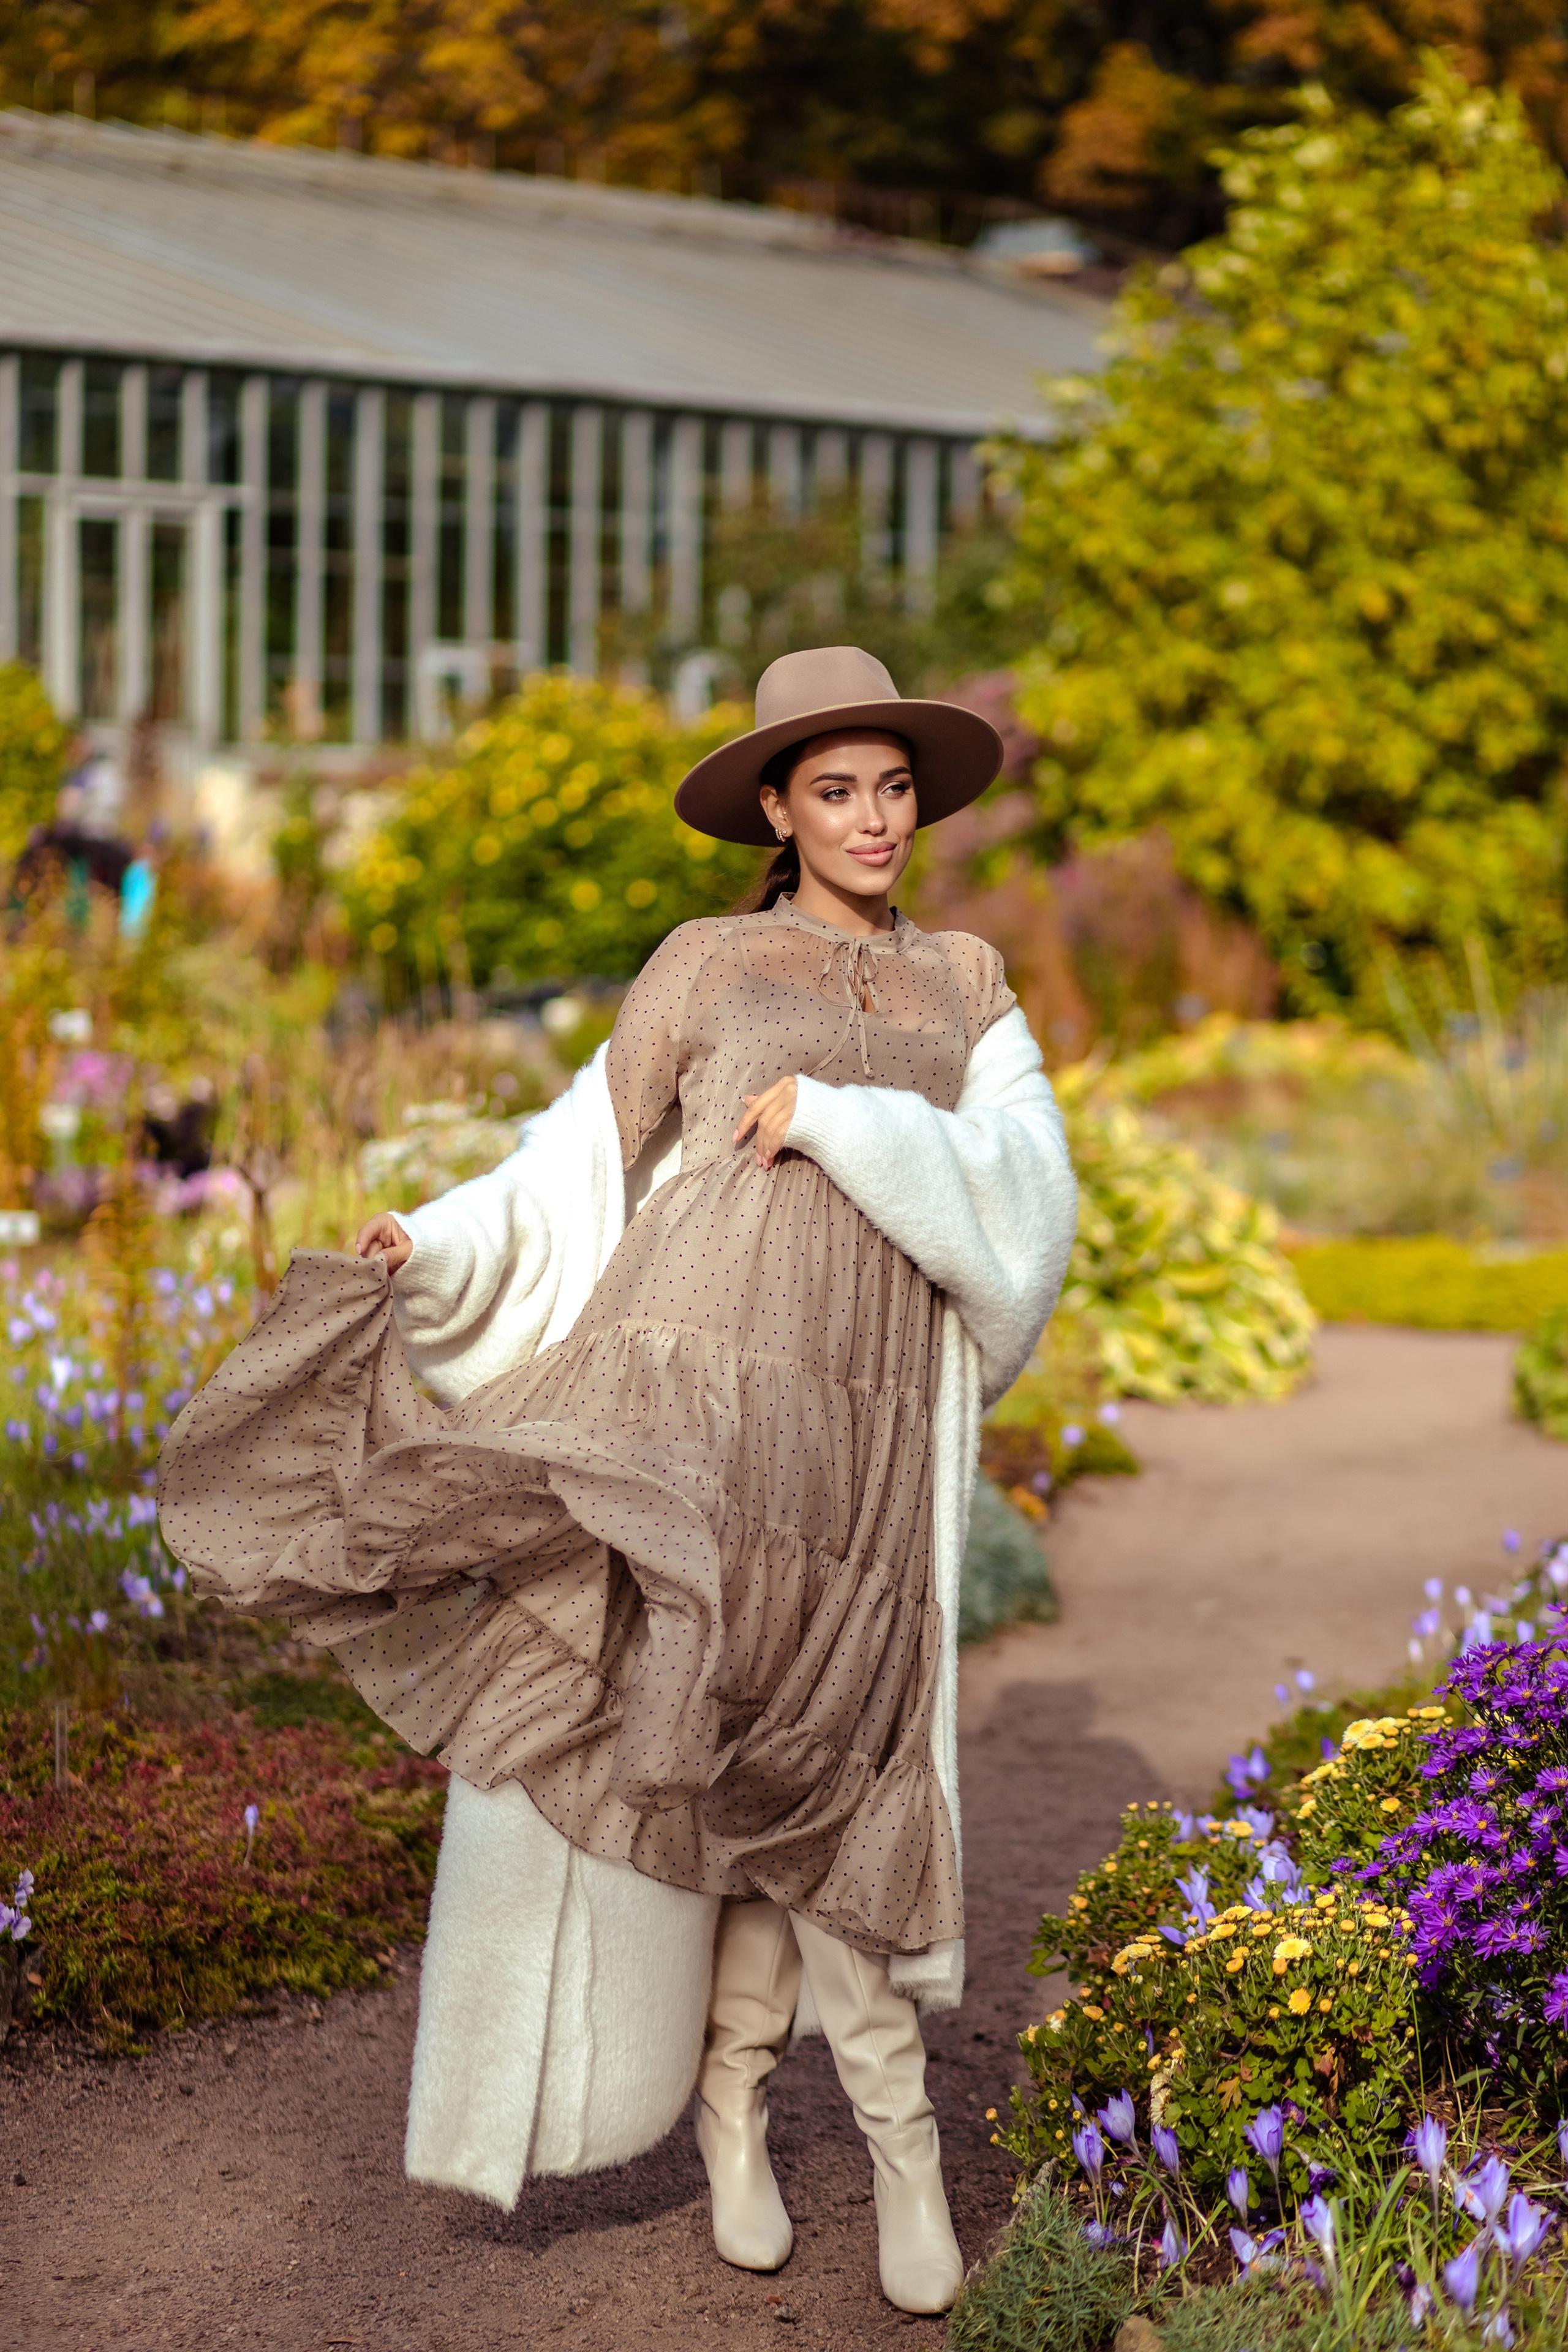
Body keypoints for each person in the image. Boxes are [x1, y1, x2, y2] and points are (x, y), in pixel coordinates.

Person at [159, 646, 1077, 2314]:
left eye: (893, 788)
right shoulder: (710, 962)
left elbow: (1030, 1199)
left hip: (864, 1450)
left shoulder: (968, 981)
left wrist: (858, 1126)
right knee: (735, 1771)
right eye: (837, 791)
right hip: (689, 1409)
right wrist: (429, 1240)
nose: (875, 818)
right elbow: (575, 1162)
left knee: (835, 1777)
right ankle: (871, 2143)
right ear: (780, 815)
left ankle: (788, 2111)